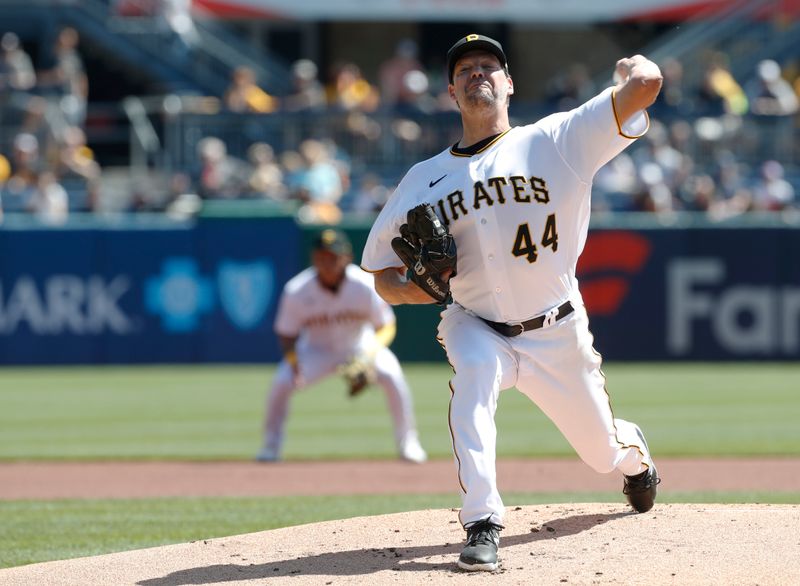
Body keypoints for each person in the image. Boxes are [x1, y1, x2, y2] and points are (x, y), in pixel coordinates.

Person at [361, 34, 662, 572]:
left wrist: (630, 63)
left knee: (601, 454)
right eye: (465, 70)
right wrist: (417, 289)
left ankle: (633, 454)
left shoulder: (557, 139)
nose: (478, 73)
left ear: (509, 83)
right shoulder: (422, 179)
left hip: (557, 329)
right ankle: (483, 522)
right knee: (473, 377)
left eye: (489, 66)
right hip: (474, 321)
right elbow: (381, 274)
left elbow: (646, 85)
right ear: (451, 92)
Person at [257, 229, 427, 464]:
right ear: (313, 258)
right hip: (315, 351)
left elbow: (386, 326)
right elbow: (286, 333)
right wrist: (295, 363)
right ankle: (270, 446)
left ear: (346, 257)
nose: (327, 263)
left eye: (333, 257)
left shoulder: (365, 284)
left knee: (392, 375)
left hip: (360, 346)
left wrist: (368, 356)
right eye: (322, 257)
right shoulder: (297, 290)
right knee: (282, 382)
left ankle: (408, 443)